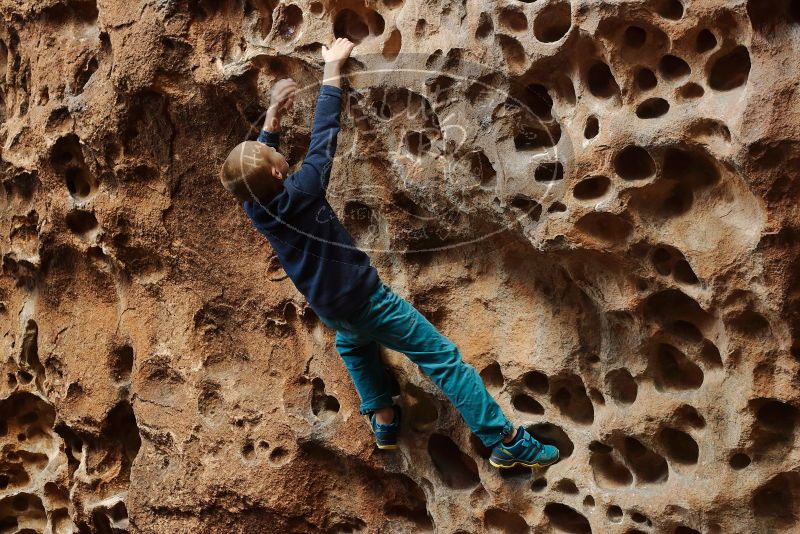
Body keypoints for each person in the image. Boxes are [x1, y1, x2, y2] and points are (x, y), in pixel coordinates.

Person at [219, 37, 559, 469]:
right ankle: (505, 439)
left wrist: (271, 118)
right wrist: (332, 71)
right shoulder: (304, 191)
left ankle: (383, 416)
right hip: (368, 300)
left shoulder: (256, 207)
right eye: (271, 150)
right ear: (276, 170)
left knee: (355, 345)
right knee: (443, 359)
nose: (274, 146)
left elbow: (257, 170)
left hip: (330, 308)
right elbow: (324, 137)